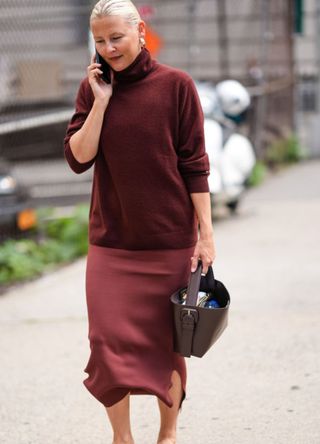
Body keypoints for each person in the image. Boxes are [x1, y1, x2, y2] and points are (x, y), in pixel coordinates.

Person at [63, 1, 216, 443]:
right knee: (106, 345)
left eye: (117, 37)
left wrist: (205, 235)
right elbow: (77, 158)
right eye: (99, 40)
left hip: (169, 242)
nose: (109, 48)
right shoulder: (92, 89)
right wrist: (100, 103)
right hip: (112, 244)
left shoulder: (176, 86)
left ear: (140, 32)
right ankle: (122, 438)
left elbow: (195, 165)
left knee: (167, 345)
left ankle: (168, 435)